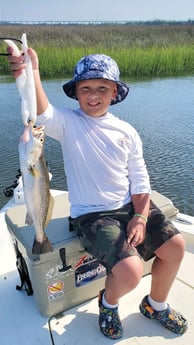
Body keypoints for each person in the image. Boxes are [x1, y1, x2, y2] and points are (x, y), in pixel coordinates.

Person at [8, 48, 188, 339]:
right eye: (86, 88)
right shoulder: (68, 123)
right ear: (76, 93)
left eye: (102, 88)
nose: (93, 95)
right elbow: (41, 113)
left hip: (131, 206)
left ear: (114, 91)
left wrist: (140, 217)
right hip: (92, 215)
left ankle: (155, 305)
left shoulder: (127, 131)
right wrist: (32, 71)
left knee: (176, 247)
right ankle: (108, 303)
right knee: (130, 272)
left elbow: (140, 181)